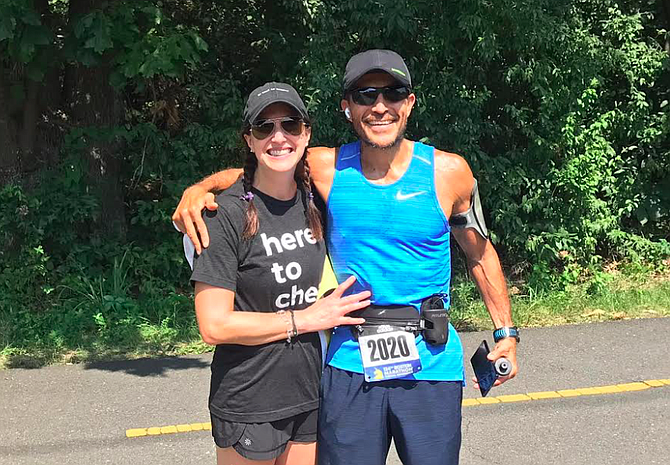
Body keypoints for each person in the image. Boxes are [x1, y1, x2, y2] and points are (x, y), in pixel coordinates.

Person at [174, 51, 518, 465]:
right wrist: (199, 189)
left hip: (430, 359)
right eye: (365, 94)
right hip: (350, 360)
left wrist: (506, 334)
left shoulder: (449, 172)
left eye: (393, 93)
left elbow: (480, 254)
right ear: (347, 107)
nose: (379, 106)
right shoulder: (326, 166)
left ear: (409, 102)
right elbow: (262, 170)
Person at [187, 82, 371, 465]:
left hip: (308, 392)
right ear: (249, 141)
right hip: (248, 399)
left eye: (289, 125)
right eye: (264, 128)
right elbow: (213, 325)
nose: (278, 137)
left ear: (306, 133)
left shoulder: (315, 201)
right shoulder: (224, 216)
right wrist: (304, 320)